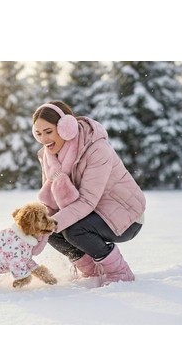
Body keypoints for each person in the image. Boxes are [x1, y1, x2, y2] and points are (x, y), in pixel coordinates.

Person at [32, 100, 146, 284]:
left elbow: (87, 201)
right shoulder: (48, 157)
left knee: (73, 230)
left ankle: (120, 272)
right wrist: (33, 226)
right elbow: (50, 202)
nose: (44, 140)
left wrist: (50, 224)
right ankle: (92, 271)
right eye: (38, 133)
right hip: (91, 214)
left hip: (126, 215)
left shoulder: (96, 149)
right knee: (49, 229)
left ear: (65, 127)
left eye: (48, 132)